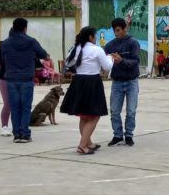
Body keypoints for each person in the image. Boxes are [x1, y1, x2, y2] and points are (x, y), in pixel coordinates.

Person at [60, 26, 114, 155]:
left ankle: (88, 143)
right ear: (90, 37)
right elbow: (107, 67)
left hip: (78, 82)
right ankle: (82, 145)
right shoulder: (97, 50)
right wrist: (110, 58)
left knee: (84, 116)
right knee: (94, 116)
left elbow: (68, 63)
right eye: (95, 35)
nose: (96, 37)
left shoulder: (75, 48)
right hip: (92, 82)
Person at [0, 17, 48, 143]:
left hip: (11, 79)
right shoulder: (31, 41)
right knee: (26, 107)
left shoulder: (5, 43)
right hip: (26, 78)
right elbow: (43, 54)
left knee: (15, 108)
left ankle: (16, 134)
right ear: (25, 29)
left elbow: (3, 60)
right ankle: (25, 134)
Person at [104, 17, 141, 146]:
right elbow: (103, 61)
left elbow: (136, 61)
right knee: (114, 111)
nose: (116, 33)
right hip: (117, 82)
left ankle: (129, 135)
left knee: (131, 111)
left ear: (125, 29)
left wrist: (122, 61)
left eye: (119, 30)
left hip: (131, 81)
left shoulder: (133, 43)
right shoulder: (109, 45)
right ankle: (118, 135)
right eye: (114, 30)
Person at [0, 42, 11, 136]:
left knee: (20, 105)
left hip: (19, 77)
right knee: (7, 104)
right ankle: (4, 127)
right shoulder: (3, 47)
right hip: (5, 77)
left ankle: (20, 126)